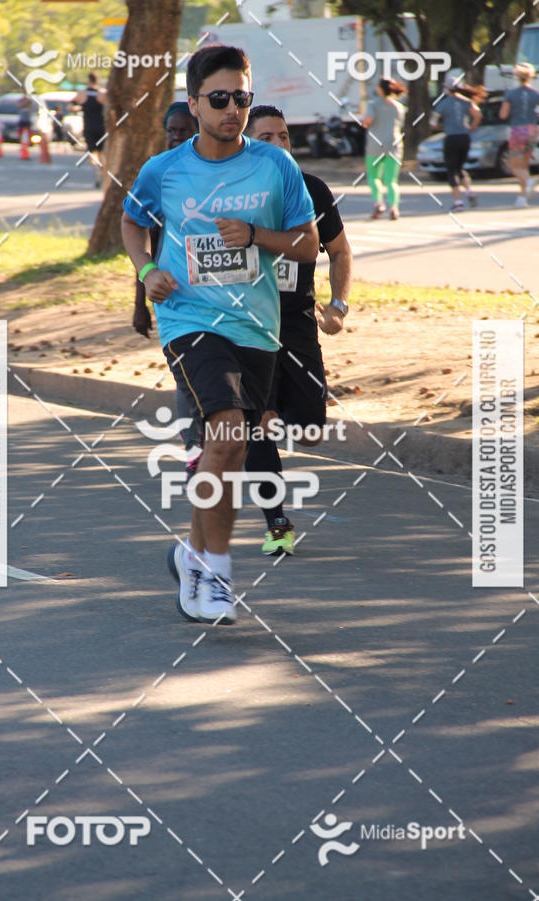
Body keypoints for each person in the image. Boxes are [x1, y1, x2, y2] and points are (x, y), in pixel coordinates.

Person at [121, 45, 319, 625]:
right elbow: (132, 222)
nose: (233, 109)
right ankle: (216, 574)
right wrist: (146, 270)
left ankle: (190, 555)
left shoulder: (275, 166)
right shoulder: (164, 170)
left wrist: (257, 234)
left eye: (242, 98)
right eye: (220, 99)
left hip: (256, 327)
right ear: (194, 103)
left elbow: (308, 244)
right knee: (229, 434)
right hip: (188, 319)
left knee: (224, 451)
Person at [177, 105, 352, 555]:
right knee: (254, 425)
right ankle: (277, 523)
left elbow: (338, 251)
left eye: (285, 137)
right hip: (245, 325)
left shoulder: (310, 189)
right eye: (268, 138)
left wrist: (338, 304)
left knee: (311, 426)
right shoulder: (232, 192)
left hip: (295, 323)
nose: (279, 146)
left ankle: (235, 437)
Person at [132, 102, 198, 339]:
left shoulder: (214, 174)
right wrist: (140, 306)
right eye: (171, 131)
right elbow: (147, 245)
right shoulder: (158, 177)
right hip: (174, 292)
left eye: (184, 131)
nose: (176, 137)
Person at [435, 75, 483, 211]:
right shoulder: (467, 102)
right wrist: (471, 127)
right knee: (460, 167)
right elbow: (478, 115)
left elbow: (433, 122)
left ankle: (458, 202)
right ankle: (469, 191)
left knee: (451, 170)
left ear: (447, 88)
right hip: (464, 137)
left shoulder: (443, 104)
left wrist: (441, 126)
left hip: (451, 137)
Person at [362, 79, 406, 220]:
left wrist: (364, 122)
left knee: (374, 177)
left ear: (380, 89)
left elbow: (368, 120)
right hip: (394, 145)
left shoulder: (373, 104)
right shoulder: (398, 106)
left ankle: (379, 203)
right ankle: (394, 207)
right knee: (391, 180)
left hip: (375, 145)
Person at [499, 62, 539, 208]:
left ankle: (528, 182)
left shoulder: (511, 94)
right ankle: (522, 198)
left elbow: (503, 114)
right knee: (524, 165)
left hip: (518, 130)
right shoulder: (535, 94)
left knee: (515, 166)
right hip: (532, 130)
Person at [74, 73, 106, 187]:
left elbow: (71, 106)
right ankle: (102, 173)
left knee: (91, 152)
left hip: (89, 126)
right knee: (102, 153)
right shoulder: (102, 94)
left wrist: (80, 108)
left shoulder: (82, 93)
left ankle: (97, 170)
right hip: (101, 127)